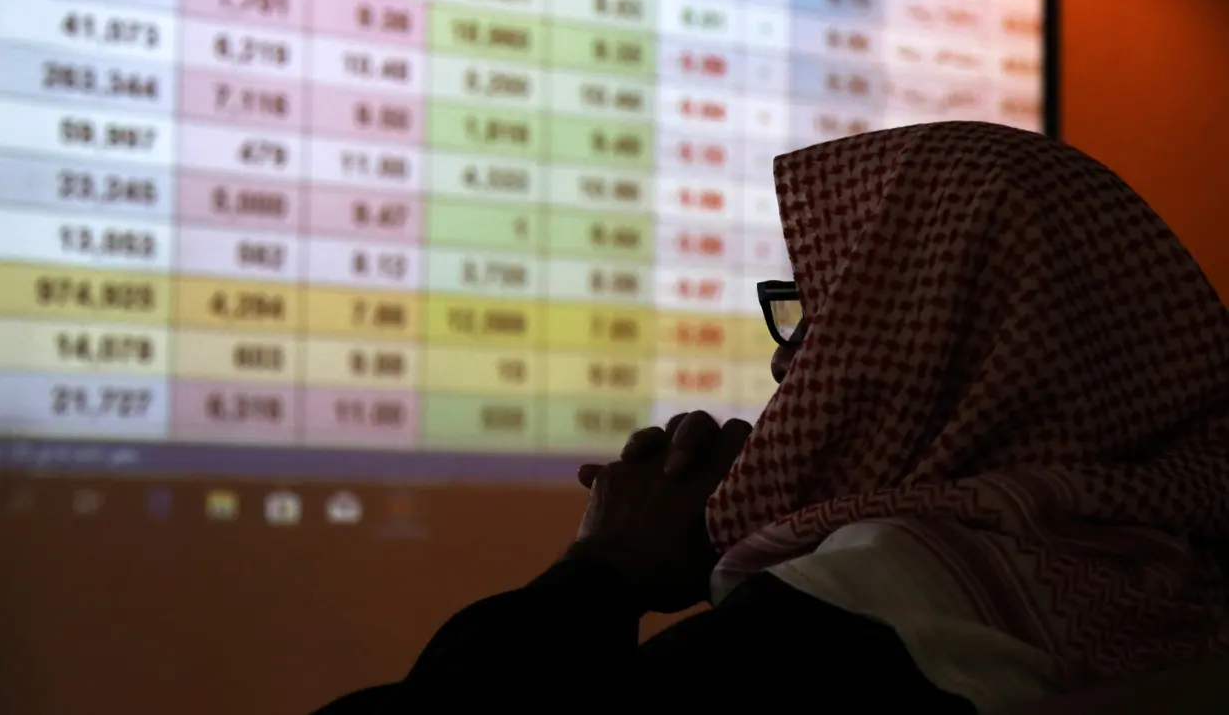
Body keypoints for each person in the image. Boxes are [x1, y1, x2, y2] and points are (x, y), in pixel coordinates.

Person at [316, 122, 1229, 714]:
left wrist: (603, 570)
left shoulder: (891, 603)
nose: (789, 361)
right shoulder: (1155, 583)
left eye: (827, 311)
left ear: (936, 341)